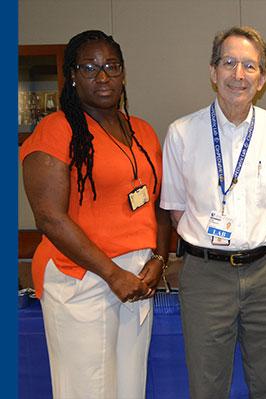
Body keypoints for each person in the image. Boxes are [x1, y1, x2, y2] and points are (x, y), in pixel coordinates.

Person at [20, 30, 171, 398]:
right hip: (83, 278)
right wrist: (112, 273)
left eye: (111, 67)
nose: (102, 77)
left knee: (129, 388)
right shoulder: (55, 130)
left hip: (137, 278)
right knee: (87, 390)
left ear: (123, 74)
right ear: (72, 75)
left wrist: (159, 259)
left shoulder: (143, 131)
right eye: (89, 67)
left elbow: (158, 205)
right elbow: (50, 218)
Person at [160, 26, 266, 399]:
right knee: (207, 386)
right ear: (213, 71)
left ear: (263, 77)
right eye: (229, 63)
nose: (238, 75)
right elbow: (177, 211)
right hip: (205, 276)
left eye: (249, 66)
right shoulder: (181, 133)